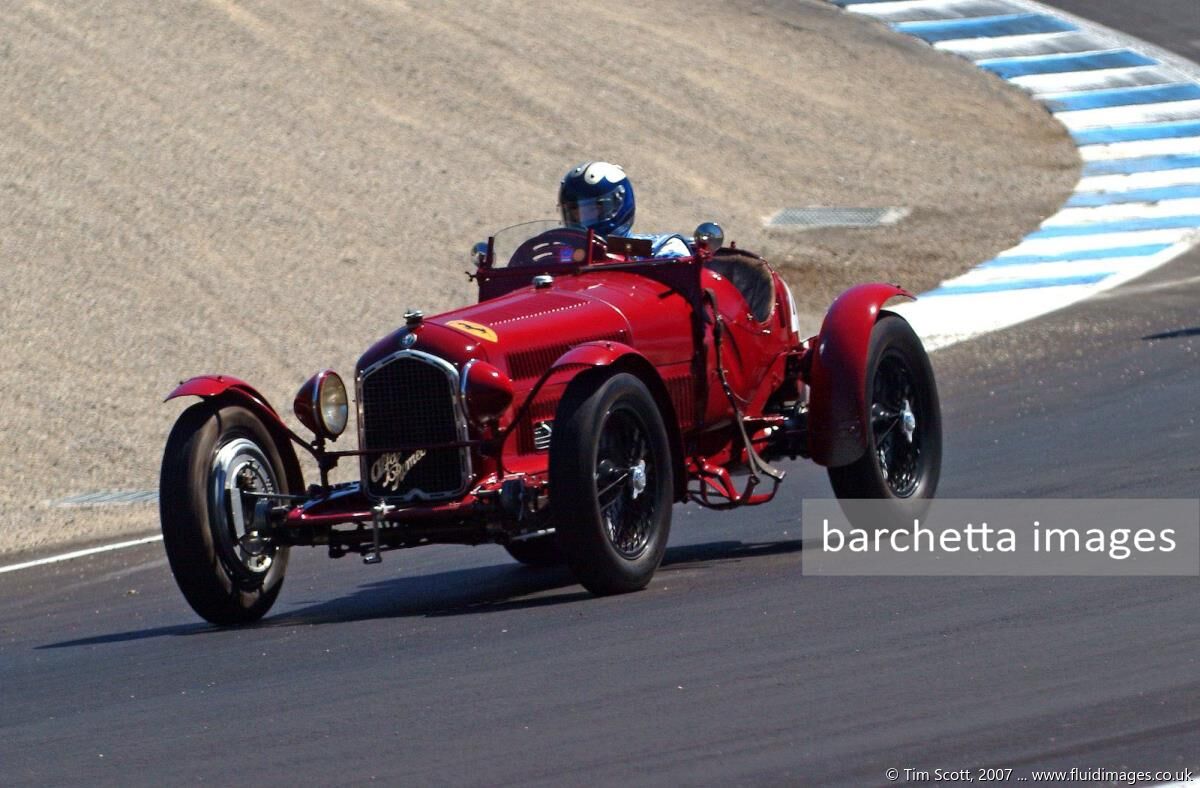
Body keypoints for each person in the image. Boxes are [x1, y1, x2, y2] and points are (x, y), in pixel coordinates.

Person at [557, 162, 691, 258]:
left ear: (618, 205)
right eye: (575, 213)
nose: (582, 219)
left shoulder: (662, 248)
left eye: (591, 210)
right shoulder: (562, 255)